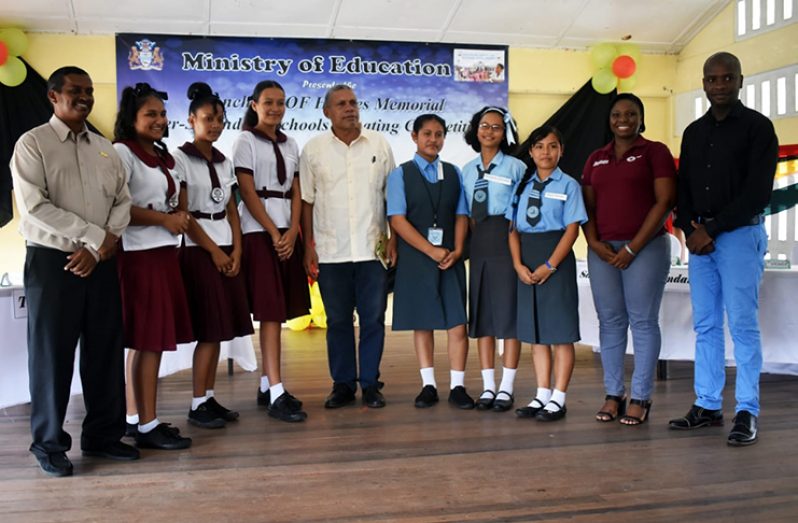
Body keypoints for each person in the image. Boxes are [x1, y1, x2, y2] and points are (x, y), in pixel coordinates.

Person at [11, 66, 139, 477]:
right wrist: (93, 237)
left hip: (100, 262)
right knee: (52, 355)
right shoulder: (33, 144)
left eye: (88, 91)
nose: (84, 97)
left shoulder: (105, 149)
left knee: (104, 350)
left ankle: (102, 436)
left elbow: (123, 200)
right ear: (53, 96)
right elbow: (35, 205)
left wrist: (101, 245)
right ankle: (49, 443)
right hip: (54, 263)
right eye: (74, 91)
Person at [669, 52, 778, 446]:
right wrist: (688, 227)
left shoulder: (758, 128)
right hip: (700, 241)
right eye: (712, 79)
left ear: (740, 80)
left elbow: (757, 193)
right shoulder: (695, 132)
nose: (719, 85)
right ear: (703, 84)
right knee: (706, 325)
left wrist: (710, 229)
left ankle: (747, 410)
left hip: (738, 237)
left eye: (726, 78)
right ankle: (708, 405)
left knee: (743, 325)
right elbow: (683, 187)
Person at [581, 93, 677, 425]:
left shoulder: (655, 152)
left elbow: (664, 202)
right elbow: (588, 208)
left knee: (643, 321)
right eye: (617, 114)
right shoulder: (596, 158)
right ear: (609, 120)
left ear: (641, 117)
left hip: (646, 248)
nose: (624, 119)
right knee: (609, 322)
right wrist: (593, 242)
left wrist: (633, 247)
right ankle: (613, 395)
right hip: (603, 250)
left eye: (631, 113)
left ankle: (641, 397)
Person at [300, 85, 396, 409]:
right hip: (331, 251)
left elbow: (391, 197)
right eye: (341, 104)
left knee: (373, 319)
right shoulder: (313, 150)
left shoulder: (380, 144)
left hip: (372, 251)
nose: (349, 108)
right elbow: (307, 202)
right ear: (327, 112)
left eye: (353, 103)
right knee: (338, 322)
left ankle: (370, 384)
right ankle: (342, 384)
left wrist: (393, 237)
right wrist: (308, 246)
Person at [114, 82, 194, 450]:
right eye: (151, 114)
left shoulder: (164, 156)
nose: (160, 120)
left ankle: (140, 419)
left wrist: (178, 214)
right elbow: (119, 209)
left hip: (165, 256)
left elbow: (178, 197)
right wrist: (164, 221)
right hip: (139, 256)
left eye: (162, 113)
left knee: (153, 343)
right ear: (131, 119)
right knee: (144, 343)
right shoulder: (122, 153)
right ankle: (143, 423)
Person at [175, 82, 254, 429]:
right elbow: (184, 215)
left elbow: (233, 210)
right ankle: (197, 403)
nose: (216, 125)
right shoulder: (178, 159)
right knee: (208, 330)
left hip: (225, 246)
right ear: (192, 119)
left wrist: (236, 249)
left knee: (221, 329)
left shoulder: (225, 162)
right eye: (208, 118)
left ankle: (208, 397)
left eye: (220, 119)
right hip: (198, 250)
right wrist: (214, 253)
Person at [234, 80, 310, 423]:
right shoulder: (246, 140)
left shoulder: (291, 143)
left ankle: (268, 385)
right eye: (268, 102)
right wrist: (273, 230)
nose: (275, 108)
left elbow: (296, 190)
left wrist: (293, 230)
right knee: (267, 312)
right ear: (254, 105)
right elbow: (247, 192)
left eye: (280, 102)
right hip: (258, 232)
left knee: (278, 312)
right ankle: (277, 389)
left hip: (285, 232)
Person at [387, 114, 474, 410]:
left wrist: (458, 249)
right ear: (414, 136)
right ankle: (428, 385)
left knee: (457, 324)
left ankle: (458, 386)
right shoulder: (400, 174)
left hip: (450, 257)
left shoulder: (453, 173)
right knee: (422, 323)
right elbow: (397, 220)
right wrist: (430, 250)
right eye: (427, 134)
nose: (433, 140)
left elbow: (462, 214)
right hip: (417, 257)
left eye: (439, 134)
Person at [507, 126, 587, 422]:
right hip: (526, 260)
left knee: (560, 333)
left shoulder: (569, 186)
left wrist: (550, 265)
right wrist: (518, 265)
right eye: (539, 146)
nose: (545, 152)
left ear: (561, 150)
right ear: (530, 151)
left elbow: (572, 229)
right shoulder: (522, 186)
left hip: (556, 260)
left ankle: (559, 397)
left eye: (552, 146)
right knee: (537, 334)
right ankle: (541, 394)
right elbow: (512, 229)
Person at [461, 107, 525, 412]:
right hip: (480, 243)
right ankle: (487, 387)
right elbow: (466, 214)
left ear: (505, 133)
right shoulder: (467, 169)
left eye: (496, 127)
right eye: (484, 126)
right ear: (475, 130)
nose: (489, 131)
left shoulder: (516, 168)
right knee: (483, 317)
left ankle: (507, 387)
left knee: (508, 317)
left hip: (507, 240)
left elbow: (524, 211)